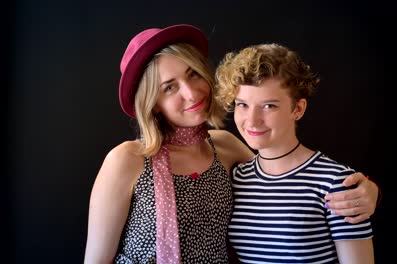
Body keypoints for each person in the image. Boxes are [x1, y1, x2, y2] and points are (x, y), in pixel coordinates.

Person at [84, 24, 378, 263]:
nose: (190, 92)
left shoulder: (224, 148)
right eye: (169, 87)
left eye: (193, 74)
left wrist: (365, 190)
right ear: (153, 103)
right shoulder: (128, 159)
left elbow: (280, 180)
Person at [215, 43, 374, 263]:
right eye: (242, 105)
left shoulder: (336, 183)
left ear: (297, 109)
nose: (252, 120)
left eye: (269, 106)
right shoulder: (237, 178)